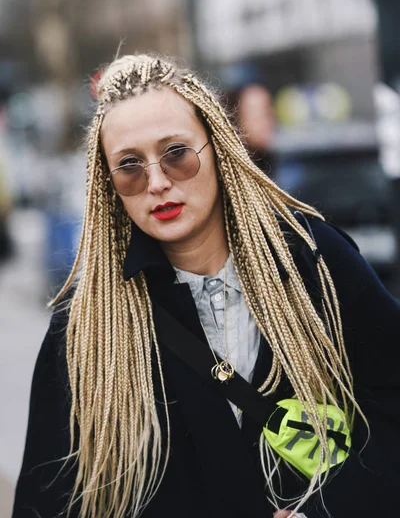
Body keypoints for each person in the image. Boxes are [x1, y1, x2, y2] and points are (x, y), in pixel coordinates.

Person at [12, 54, 400, 518]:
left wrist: (331, 509)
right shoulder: (87, 326)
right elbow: (49, 501)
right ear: (108, 184)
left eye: (176, 153)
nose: (156, 182)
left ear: (216, 146)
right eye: (130, 166)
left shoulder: (311, 260)